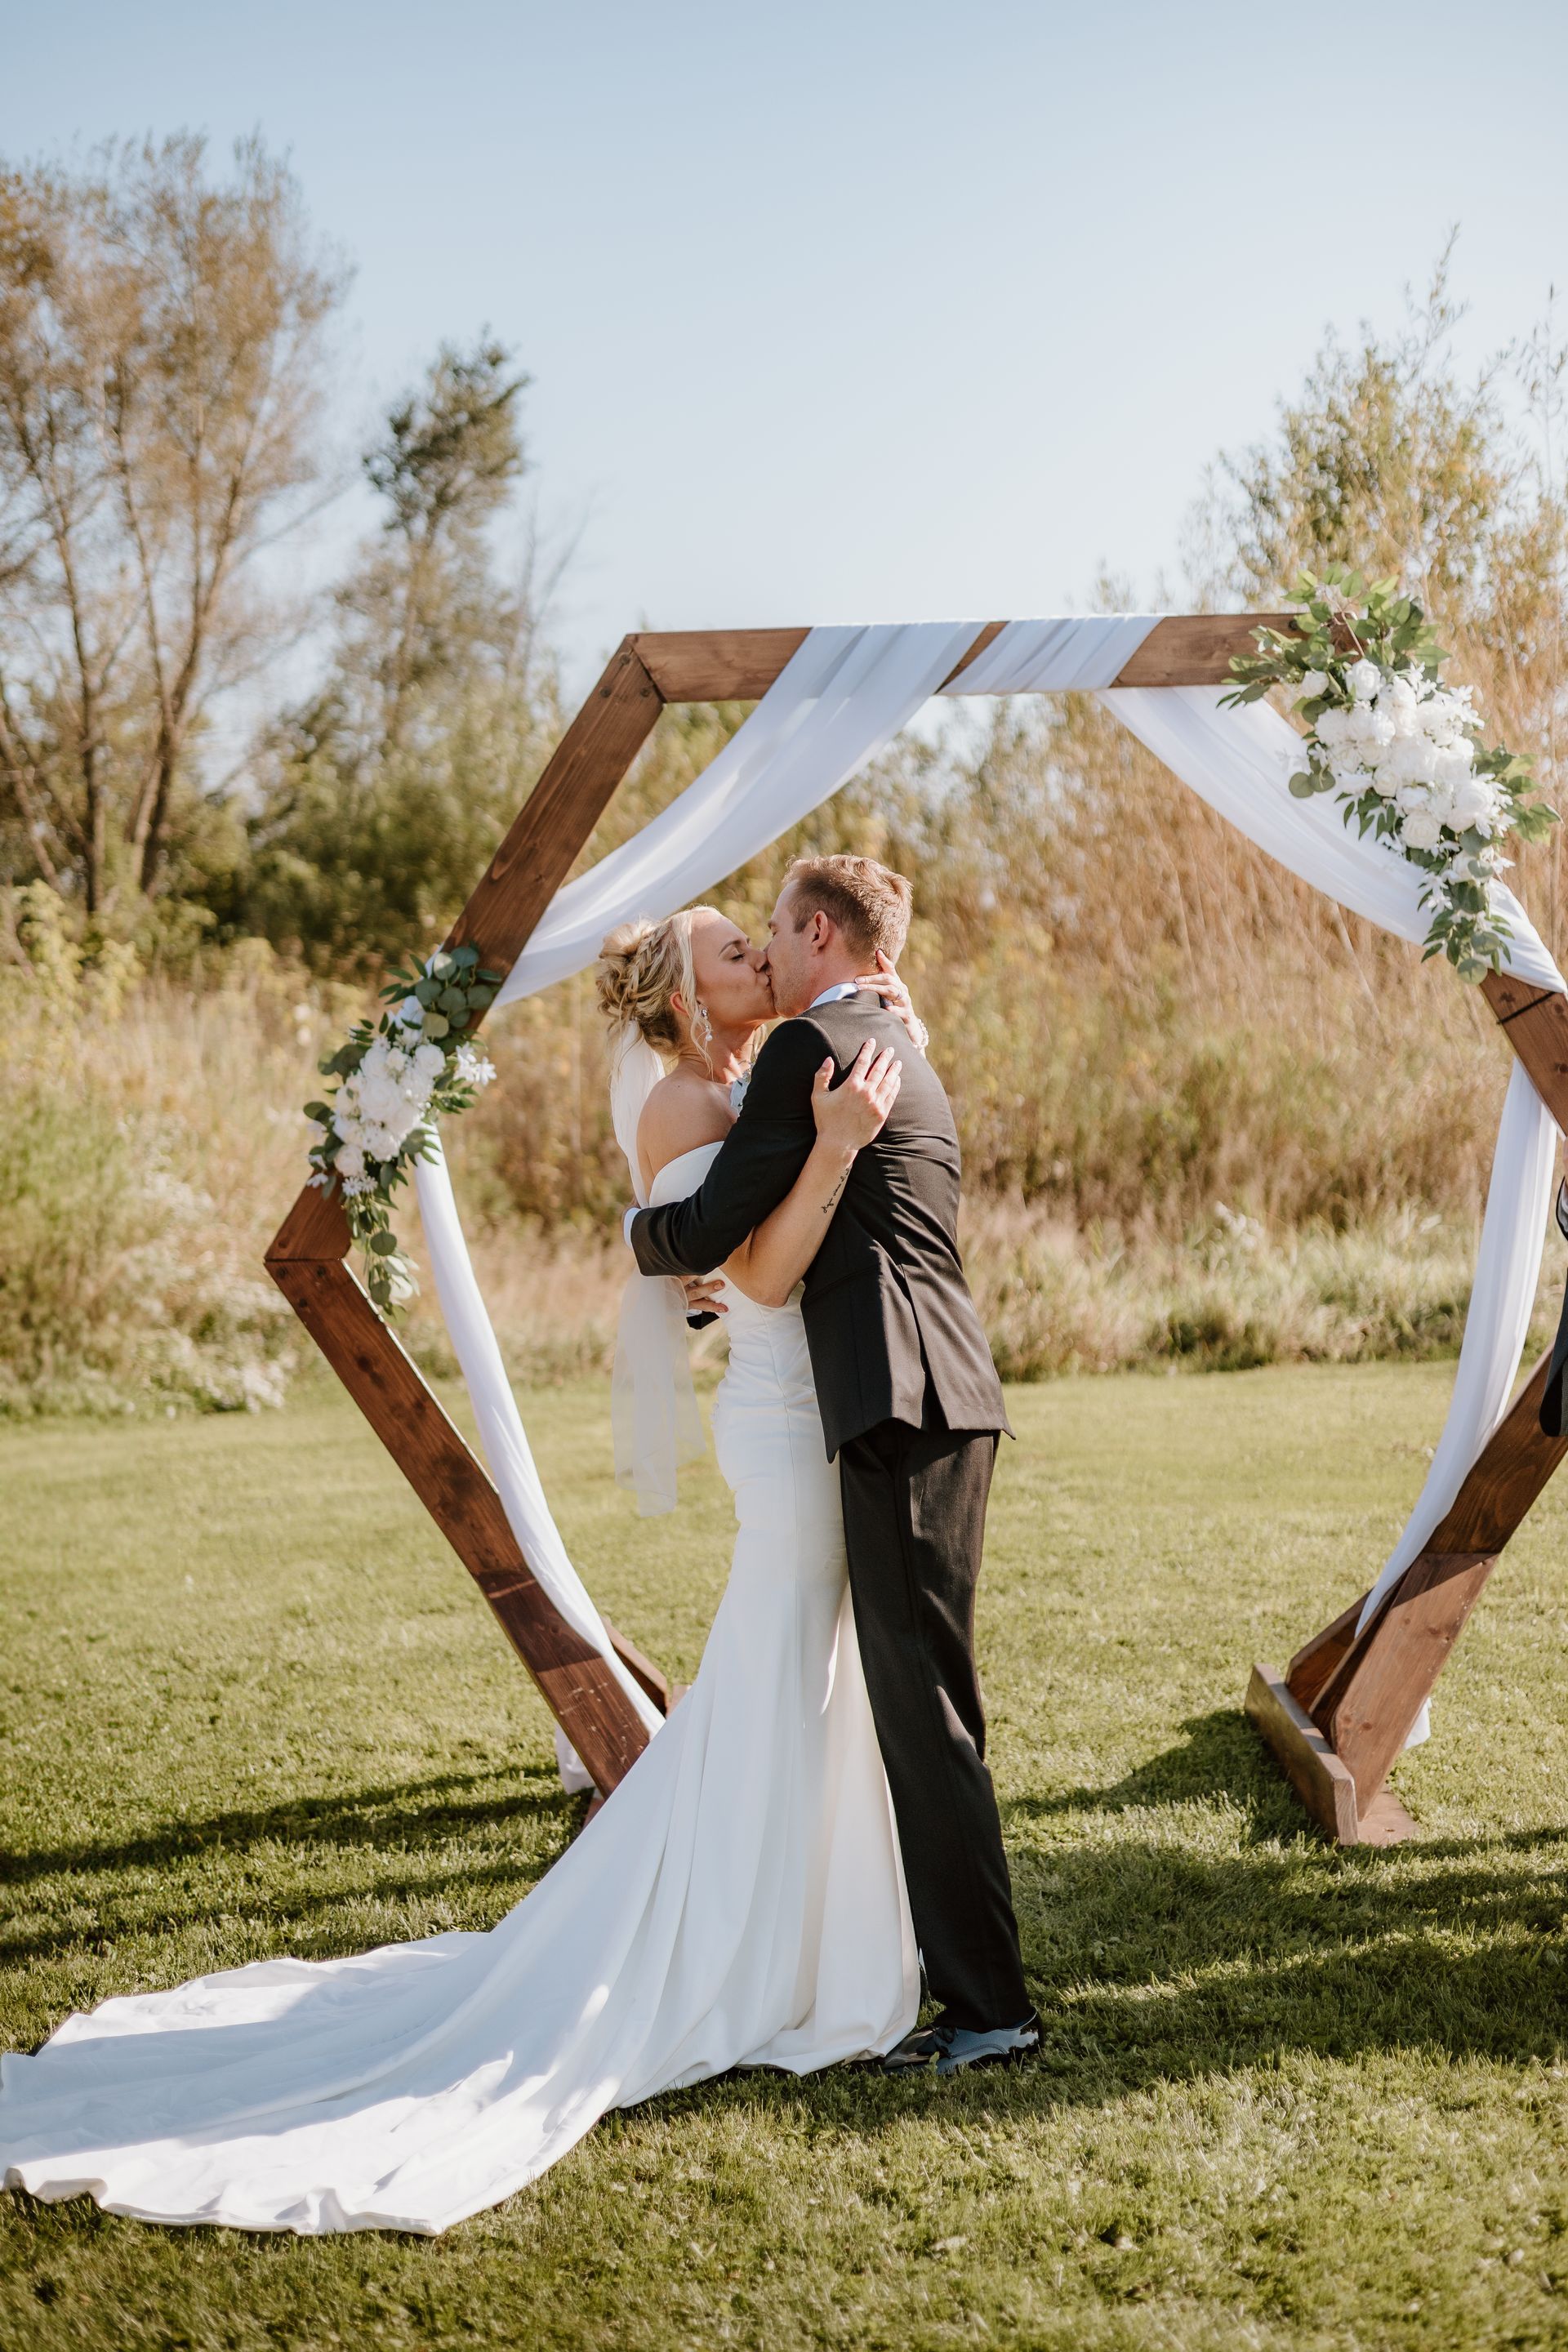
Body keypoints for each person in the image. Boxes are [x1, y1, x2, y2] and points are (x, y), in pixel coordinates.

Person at [0, 905, 925, 2237]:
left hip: (796, 1406)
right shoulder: (685, 1102)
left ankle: (797, 1935)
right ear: (683, 992)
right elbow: (745, 1268)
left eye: (762, 946)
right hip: (785, 1423)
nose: (760, 965)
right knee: (783, 1665)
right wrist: (809, 1171)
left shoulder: (751, 1077)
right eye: (735, 953)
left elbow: (718, 1270)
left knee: (795, 1673)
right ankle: (751, 1953)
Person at [629, 854, 1038, 2074]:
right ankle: (959, 1988)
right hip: (935, 1390)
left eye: (770, 930)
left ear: (817, 933)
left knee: (924, 1713)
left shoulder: (819, 1049)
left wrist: (636, 1233)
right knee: (922, 1703)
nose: (763, 946)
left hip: (896, 1397)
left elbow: (706, 1237)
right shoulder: (895, 1039)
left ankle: (990, 2010)